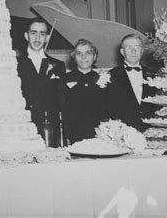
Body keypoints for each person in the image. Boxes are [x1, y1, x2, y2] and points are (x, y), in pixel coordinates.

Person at [17, 17, 66, 146]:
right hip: (25, 127)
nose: (37, 38)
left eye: (42, 34)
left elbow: (61, 100)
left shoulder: (58, 65)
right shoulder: (14, 64)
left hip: (51, 128)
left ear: (47, 38)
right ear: (26, 36)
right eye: (33, 33)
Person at [61, 39, 109, 144]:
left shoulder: (105, 79)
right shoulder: (64, 79)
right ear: (74, 57)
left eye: (88, 53)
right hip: (73, 136)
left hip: (100, 137)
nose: (83, 57)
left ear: (94, 57)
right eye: (79, 54)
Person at [107, 34, 157, 131]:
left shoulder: (153, 75)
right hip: (124, 131)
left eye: (137, 47)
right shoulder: (111, 75)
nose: (133, 51)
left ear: (141, 51)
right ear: (122, 52)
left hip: (151, 131)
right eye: (129, 47)